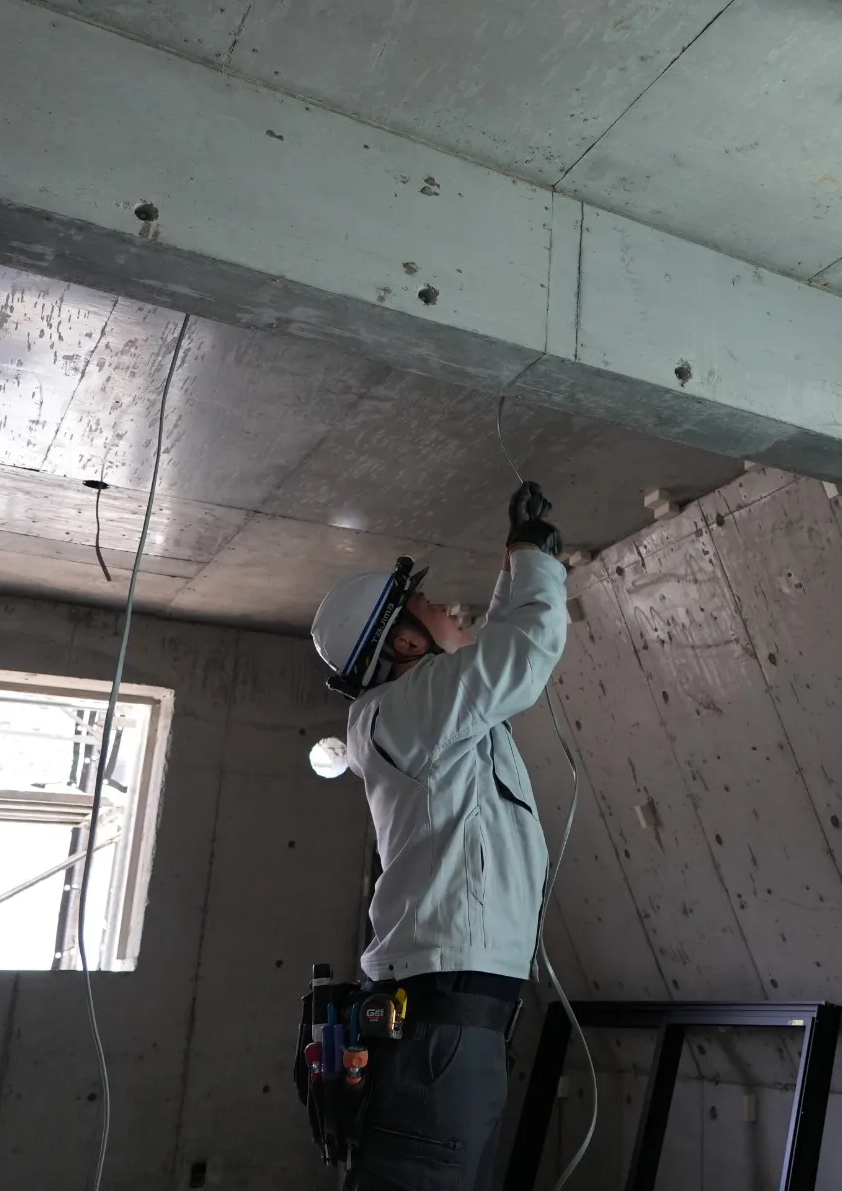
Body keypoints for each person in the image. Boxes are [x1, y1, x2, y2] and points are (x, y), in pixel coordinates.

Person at [308, 481, 569, 1191]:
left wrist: (521, 562)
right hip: (442, 1023)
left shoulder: (423, 716)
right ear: (403, 640)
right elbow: (520, 658)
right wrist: (532, 560)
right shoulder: (402, 712)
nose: (448, 608)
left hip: (449, 1019)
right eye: (425, 604)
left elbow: (496, 661)